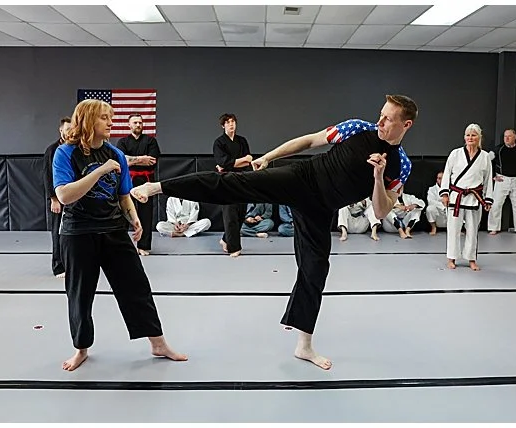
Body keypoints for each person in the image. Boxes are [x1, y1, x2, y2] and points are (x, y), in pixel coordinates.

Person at [131, 94, 418, 370]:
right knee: (232, 184)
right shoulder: (357, 128)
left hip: (321, 210)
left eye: (388, 119)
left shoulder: (400, 165)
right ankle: (158, 187)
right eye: (381, 115)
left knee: (315, 271)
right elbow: (309, 141)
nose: (380, 122)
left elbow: (381, 210)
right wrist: (269, 156)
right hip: (302, 179)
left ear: (406, 124)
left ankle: (304, 346)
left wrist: (377, 177)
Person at [52, 99, 186, 371]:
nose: (110, 122)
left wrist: (134, 218)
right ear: (88, 120)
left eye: (110, 117)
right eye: (104, 117)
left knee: (136, 286)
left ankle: (158, 343)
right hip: (78, 233)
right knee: (80, 294)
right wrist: (100, 170)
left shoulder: (115, 153)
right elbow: (64, 195)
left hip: (114, 230)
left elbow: (123, 194)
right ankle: (81, 349)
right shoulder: (65, 153)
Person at [441, 124, 494, 271]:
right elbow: (446, 174)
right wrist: (445, 193)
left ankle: (471, 259)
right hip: (456, 197)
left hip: (474, 198)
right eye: (468, 135)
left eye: (474, 135)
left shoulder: (485, 157)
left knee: (472, 230)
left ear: (479, 137)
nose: (470, 138)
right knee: (454, 229)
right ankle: (451, 258)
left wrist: (488, 199)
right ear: (464, 137)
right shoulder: (455, 154)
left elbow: (488, 179)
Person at [114, 114, 161, 256]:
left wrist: (133, 160)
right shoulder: (123, 142)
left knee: (146, 213)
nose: (138, 125)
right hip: (128, 179)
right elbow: (122, 161)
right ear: (129, 125)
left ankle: (143, 246)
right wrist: (142, 159)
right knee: (124, 212)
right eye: (135, 123)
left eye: (140, 122)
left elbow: (152, 161)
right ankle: (122, 245)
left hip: (146, 181)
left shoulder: (150, 141)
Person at [213, 113, 254, 257]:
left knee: (241, 214)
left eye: (233, 122)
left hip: (241, 179)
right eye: (228, 122)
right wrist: (240, 161)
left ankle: (226, 239)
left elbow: (249, 160)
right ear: (223, 125)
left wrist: (232, 163)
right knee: (230, 214)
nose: (231, 124)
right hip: (226, 181)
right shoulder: (219, 143)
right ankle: (234, 248)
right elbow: (223, 162)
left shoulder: (242, 141)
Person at [42, 117, 74, 278]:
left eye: (72, 129)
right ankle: (58, 266)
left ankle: (71, 263)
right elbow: (47, 176)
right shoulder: (52, 150)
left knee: (72, 233)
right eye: (67, 129)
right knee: (58, 232)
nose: (70, 132)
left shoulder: (75, 148)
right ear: (61, 130)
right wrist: (53, 199)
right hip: (58, 197)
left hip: (73, 195)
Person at [488, 129, 516, 236]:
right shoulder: (497, 150)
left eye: (509, 136)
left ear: (515, 137)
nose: (507, 138)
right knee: (496, 204)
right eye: (505, 136)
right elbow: (486, 161)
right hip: (502, 179)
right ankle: (493, 227)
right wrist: (493, 175)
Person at [425, 171, 447, 235]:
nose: (438, 180)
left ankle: (457, 229)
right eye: (438, 178)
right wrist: (442, 205)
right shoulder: (432, 189)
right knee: (430, 208)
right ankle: (433, 227)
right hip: (438, 213)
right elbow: (430, 201)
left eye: (441, 178)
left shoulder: (451, 189)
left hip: (449, 211)